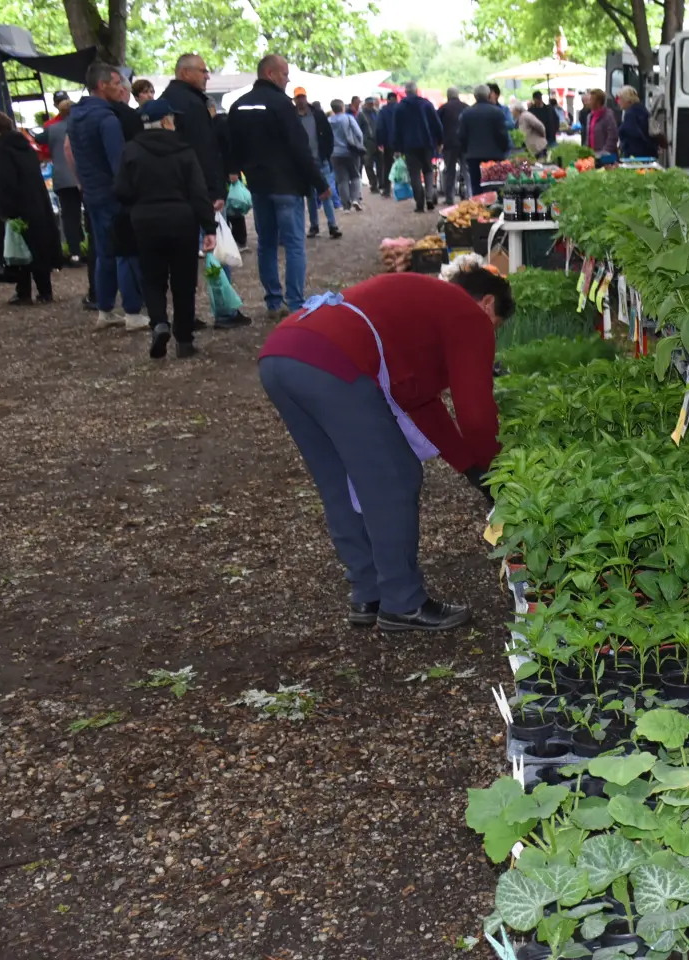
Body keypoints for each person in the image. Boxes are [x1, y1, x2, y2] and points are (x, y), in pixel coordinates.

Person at [257, 267, 514, 632]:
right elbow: (475, 415)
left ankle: (369, 593)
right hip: (331, 359)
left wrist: (474, 471)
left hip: (282, 353)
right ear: (488, 304)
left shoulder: (423, 306)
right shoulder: (468, 315)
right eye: (497, 325)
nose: (491, 335)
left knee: (339, 479)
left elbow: (422, 404)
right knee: (396, 477)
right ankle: (403, 602)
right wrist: (497, 471)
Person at [115, 99, 218, 359]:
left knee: (152, 277)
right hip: (182, 219)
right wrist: (209, 227)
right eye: (172, 117)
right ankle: (184, 338)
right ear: (164, 121)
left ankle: (159, 322)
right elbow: (198, 191)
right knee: (184, 280)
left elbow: (120, 190)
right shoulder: (183, 150)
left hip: (145, 220)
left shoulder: (131, 150)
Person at [229, 55, 330, 318]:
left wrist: (234, 172)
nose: (287, 80)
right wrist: (319, 182)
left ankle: (273, 301)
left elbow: (232, 145)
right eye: (285, 74)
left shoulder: (238, 106)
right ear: (271, 73)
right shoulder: (282, 105)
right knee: (295, 243)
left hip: (259, 185)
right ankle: (296, 301)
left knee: (266, 244)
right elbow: (299, 147)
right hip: (286, 184)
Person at [161, 52, 250, 331]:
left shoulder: (165, 101)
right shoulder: (192, 104)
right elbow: (205, 151)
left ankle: (184, 316)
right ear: (185, 73)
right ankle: (224, 311)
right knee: (215, 250)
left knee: (180, 259)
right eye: (203, 71)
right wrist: (214, 190)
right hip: (198, 190)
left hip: (170, 191)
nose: (207, 75)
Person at [69, 63, 147, 330]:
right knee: (126, 251)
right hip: (113, 195)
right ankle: (134, 312)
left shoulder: (76, 116)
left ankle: (104, 309)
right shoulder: (107, 119)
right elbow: (119, 163)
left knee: (103, 253)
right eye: (116, 82)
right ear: (102, 85)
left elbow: (73, 155)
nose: (121, 87)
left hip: (91, 193)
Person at [0, 109, 60, 304]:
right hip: (36, 203)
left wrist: (3, 211)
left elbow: (3, 181)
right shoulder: (24, 145)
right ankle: (45, 291)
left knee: (18, 251)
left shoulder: (0, 149)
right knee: (38, 248)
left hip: (15, 207)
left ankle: (23, 291)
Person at [36, 95, 84, 265]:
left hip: (63, 179)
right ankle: (94, 248)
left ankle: (74, 253)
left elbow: (37, 140)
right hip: (84, 176)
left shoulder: (52, 129)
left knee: (70, 217)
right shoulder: (82, 126)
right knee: (92, 214)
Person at [290, 88, 340, 238]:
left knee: (326, 193)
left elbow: (329, 136)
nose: (300, 100)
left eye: (302, 97)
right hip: (304, 163)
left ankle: (332, 225)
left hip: (320, 160)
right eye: (298, 98)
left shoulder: (318, 115)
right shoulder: (292, 118)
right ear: (294, 100)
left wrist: (326, 154)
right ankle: (314, 225)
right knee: (310, 196)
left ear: (306, 98)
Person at [391, 81, 443, 213]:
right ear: (417, 91)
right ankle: (429, 197)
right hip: (426, 143)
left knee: (414, 173)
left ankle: (419, 203)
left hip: (409, 146)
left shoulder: (400, 107)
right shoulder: (426, 104)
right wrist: (440, 141)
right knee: (428, 170)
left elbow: (396, 129)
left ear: (406, 92)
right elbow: (437, 124)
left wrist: (396, 148)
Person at [209, 99, 247, 249]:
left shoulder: (221, 123)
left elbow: (230, 148)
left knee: (234, 205)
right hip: (221, 169)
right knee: (230, 205)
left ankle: (240, 238)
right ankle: (233, 237)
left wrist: (233, 170)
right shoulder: (213, 124)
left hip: (227, 170)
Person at [459, 85, 509, 197]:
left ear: (475, 96)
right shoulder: (497, 112)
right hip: (495, 155)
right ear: (488, 95)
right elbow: (503, 134)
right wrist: (503, 150)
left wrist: (466, 150)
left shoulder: (466, 113)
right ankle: (495, 209)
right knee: (496, 186)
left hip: (473, 156)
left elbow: (461, 135)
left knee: (476, 186)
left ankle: (479, 210)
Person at [328, 98, 365, 212]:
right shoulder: (348, 118)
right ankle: (355, 199)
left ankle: (346, 206)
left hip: (334, 153)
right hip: (350, 152)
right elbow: (358, 133)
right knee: (355, 176)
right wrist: (359, 144)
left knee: (341, 180)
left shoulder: (328, 121)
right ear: (342, 107)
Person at [437, 87, 467, 202]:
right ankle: (470, 195)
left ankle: (449, 198)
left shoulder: (443, 109)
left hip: (449, 144)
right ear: (458, 95)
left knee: (450, 171)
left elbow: (438, 128)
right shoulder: (466, 107)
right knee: (466, 170)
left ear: (448, 96)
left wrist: (439, 143)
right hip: (464, 144)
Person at [616, 86, 655, 159]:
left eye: (620, 99)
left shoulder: (630, 114)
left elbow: (632, 133)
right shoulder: (642, 109)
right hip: (647, 152)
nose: (618, 102)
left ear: (627, 99)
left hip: (635, 154)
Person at [375, 91, 397, 199]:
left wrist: (380, 142)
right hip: (402, 143)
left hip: (388, 143)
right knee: (405, 165)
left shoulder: (383, 110)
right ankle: (405, 188)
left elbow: (380, 127)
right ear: (396, 99)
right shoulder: (401, 108)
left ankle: (387, 190)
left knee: (387, 166)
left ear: (388, 100)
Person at [586, 90, 618, 159]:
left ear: (598, 102)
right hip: (592, 155)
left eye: (591, 99)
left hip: (606, 156)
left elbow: (612, 136)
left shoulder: (608, 115)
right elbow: (588, 136)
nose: (589, 102)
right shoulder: (590, 116)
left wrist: (605, 152)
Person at [357, 96, 379, 193]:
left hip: (378, 141)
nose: (371, 105)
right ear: (365, 104)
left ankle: (380, 183)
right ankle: (373, 183)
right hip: (367, 142)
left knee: (381, 164)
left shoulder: (377, 113)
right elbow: (358, 129)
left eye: (372, 103)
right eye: (369, 104)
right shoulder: (361, 115)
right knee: (368, 164)